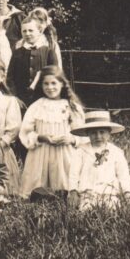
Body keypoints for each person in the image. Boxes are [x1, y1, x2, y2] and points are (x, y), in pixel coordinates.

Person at [18, 65, 86, 199]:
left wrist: (71, 139)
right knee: (36, 186)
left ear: (62, 83)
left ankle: (64, 196)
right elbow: (25, 132)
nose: (50, 87)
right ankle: (37, 198)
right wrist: (40, 137)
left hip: (64, 152)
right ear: (41, 86)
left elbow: (83, 133)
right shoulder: (37, 106)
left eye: (54, 83)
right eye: (46, 84)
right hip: (40, 152)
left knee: (64, 182)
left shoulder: (71, 106)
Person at [68, 111, 130, 210]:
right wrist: (73, 190)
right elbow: (73, 173)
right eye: (93, 133)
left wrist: (127, 192)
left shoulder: (116, 152)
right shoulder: (81, 151)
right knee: (86, 213)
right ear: (87, 134)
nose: (98, 136)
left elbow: (123, 174)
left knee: (112, 214)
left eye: (102, 132)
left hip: (109, 194)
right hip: (87, 194)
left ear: (109, 133)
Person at [7, 15, 60, 104]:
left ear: (39, 31)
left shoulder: (48, 52)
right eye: (24, 31)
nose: (27, 34)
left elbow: (54, 76)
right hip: (21, 100)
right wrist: (15, 98)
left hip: (43, 98)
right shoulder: (17, 53)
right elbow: (10, 78)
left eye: (30, 30)